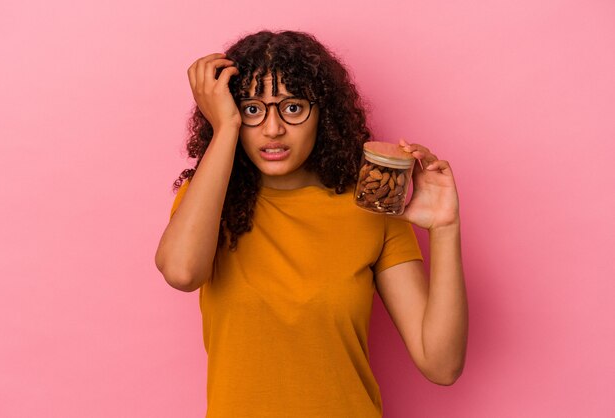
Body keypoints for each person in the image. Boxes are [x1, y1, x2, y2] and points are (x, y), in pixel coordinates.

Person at [155, 30, 468, 418]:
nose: (273, 129)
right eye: (253, 109)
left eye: (293, 108)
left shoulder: (369, 207)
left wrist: (445, 227)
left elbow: (441, 364)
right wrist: (225, 129)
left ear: (323, 114)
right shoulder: (208, 202)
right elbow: (182, 272)